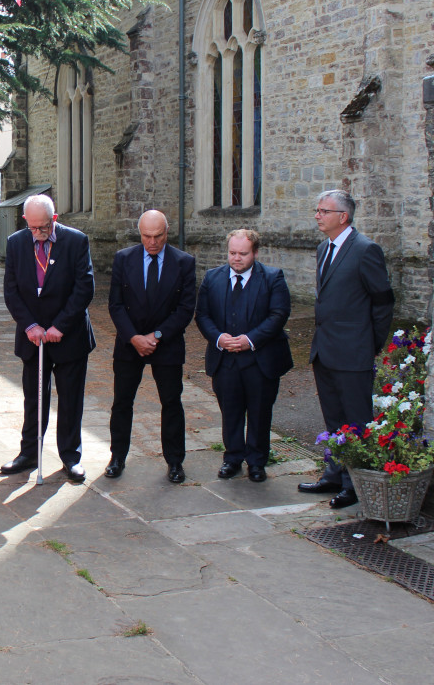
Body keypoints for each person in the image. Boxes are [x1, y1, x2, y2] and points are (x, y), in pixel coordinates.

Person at [298, 189, 394, 509]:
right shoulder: (323, 247)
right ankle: (334, 474)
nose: (317, 216)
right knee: (333, 420)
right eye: (317, 210)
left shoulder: (366, 250)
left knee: (356, 421)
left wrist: (369, 346)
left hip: (353, 354)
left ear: (343, 217)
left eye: (323, 211)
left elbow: (382, 302)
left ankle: (356, 484)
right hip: (324, 351)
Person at [0, 194, 95, 483]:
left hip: (68, 336)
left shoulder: (76, 241)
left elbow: (84, 288)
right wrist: (29, 326)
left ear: (53, 220)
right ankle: (29, 453)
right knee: (33, 399)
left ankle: (70, 457)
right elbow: (11, 290)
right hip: (33, 339)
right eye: (32, 228)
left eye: (43, 228)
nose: (38, 234)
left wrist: (59, 326)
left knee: (69, 400)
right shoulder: (17, 242)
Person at [195, 229, 293, 482]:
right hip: (225, 360)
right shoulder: (212, 277)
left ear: (256, 253)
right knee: (230, 411)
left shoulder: (272, 278)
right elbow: (203, 315)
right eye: (232, 253)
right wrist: (218, 338)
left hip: (260, 361)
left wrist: (251, 340)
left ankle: (257, 462)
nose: (236, 258)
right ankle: (233, 458)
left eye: (243, 254)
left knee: (260, 413)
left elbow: (278, 315)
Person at [106, 209, 195, 483]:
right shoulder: (124, 258)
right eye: (147, 236)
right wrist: (134, 337)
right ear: (140, 233)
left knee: (171, 402)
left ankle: (175, 461)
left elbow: (185, 308)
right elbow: (116, 304)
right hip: (129, 342)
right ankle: (117, 457)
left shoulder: (183, 262)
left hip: (166, 343)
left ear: (167, 233)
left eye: (158, 236)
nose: (152, 242)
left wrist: (156, 336)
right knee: (122, 402)